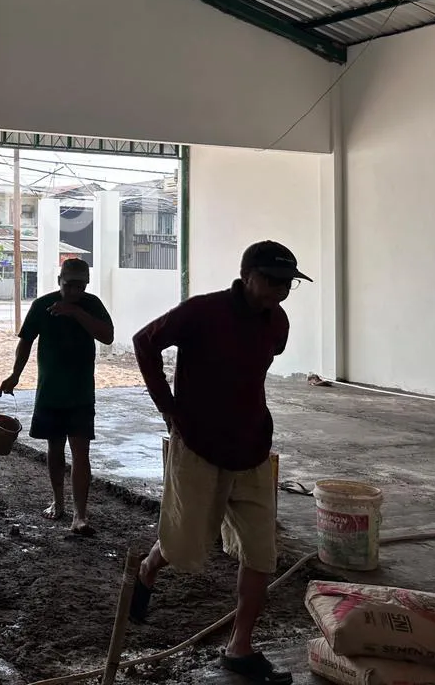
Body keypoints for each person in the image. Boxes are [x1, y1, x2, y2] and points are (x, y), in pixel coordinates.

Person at [129, 241, 310, 685]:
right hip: (199, 446)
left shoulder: (277, 322)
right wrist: (168, 407)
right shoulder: (201, 312)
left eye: (287, 284)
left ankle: (239, 647)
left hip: (252, 450)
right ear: (247, 276)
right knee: (184, 545)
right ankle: (149, 567)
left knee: (262, 554)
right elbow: (144, 342)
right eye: (273, 281)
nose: (280, 291)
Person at [0, 257, 113, 536]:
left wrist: (75, 312)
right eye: (69, 285)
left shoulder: (91, 305)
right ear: (59, 281)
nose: (74, 291)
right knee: (55, 447)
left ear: (86, 284)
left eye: (80, 286)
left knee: (81, 452)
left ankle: (80, 515)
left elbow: (108, 336)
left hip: (81, 392)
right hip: (50, 390)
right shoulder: (42, 306)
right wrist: (15, 375)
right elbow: (26, 342)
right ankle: (58, 501)